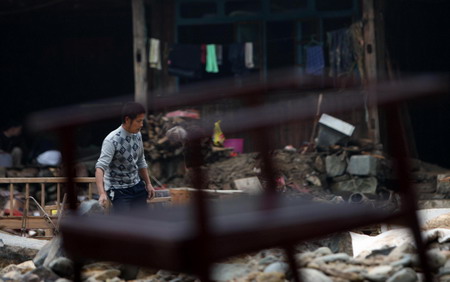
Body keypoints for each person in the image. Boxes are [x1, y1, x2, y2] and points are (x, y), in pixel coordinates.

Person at [95, 102, 155, 213]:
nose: (141, 125)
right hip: (118, 189)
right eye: (138, 121)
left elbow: (141, 161)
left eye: (142, 120)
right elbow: (100, 168)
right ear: (127, 120)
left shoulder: (137, 134)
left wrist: (148, 184)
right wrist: (102, 193)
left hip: (136, 185)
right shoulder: (112, 140)